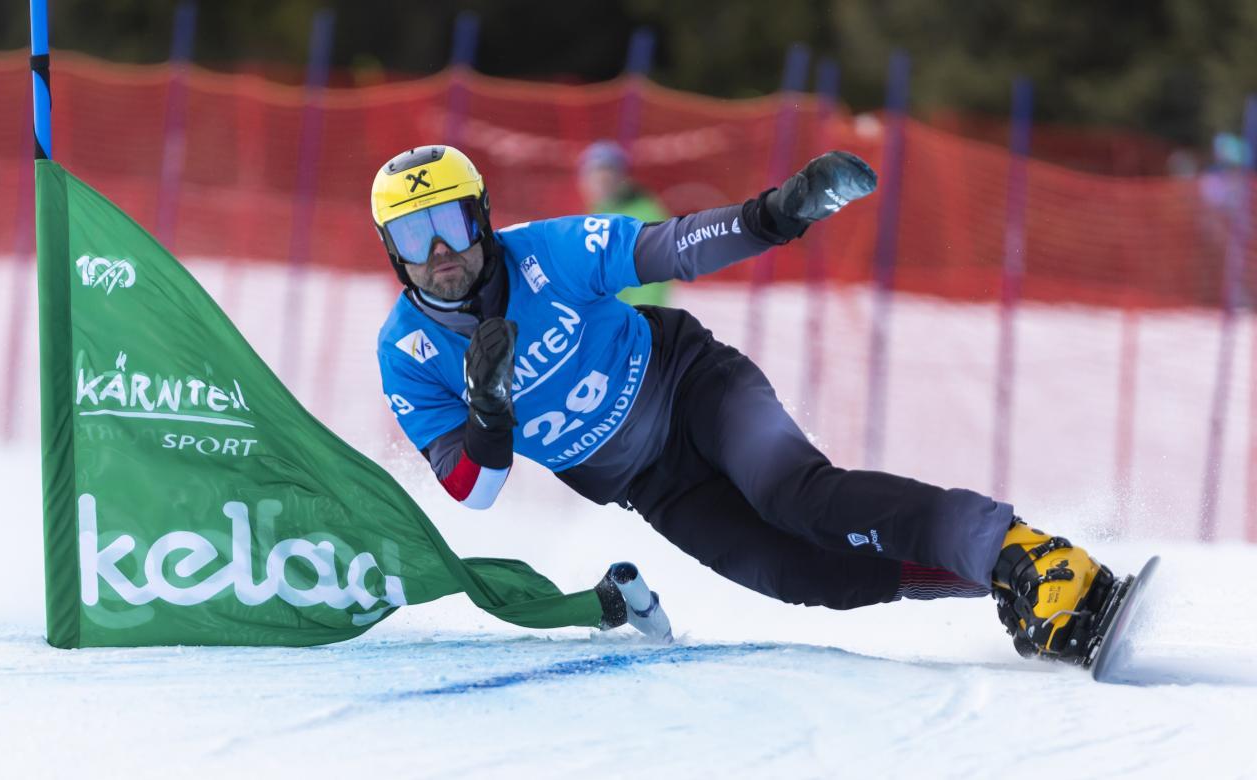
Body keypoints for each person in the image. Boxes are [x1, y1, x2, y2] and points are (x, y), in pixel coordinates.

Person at [372, 144, 1121, 662]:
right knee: (803, 576)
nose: (441, 251)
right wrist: (490, 417)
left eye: (453, 222)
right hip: (650, 483)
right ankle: (1005, 577)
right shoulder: (404, 351)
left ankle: (1026, 553)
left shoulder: (544, 251)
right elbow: (474, 489)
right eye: (415, 234)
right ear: (392, 250)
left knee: (800, 497)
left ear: (484, 216)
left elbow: (671, 249)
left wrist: (776, 214)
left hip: (694, 387)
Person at [576, 140, 672, 308]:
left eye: (607, 177)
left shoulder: (645, 216)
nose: (600, 184)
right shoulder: (595, 212)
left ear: (623, 178)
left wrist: (640, 319)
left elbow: (651, 281)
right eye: (594, 177)